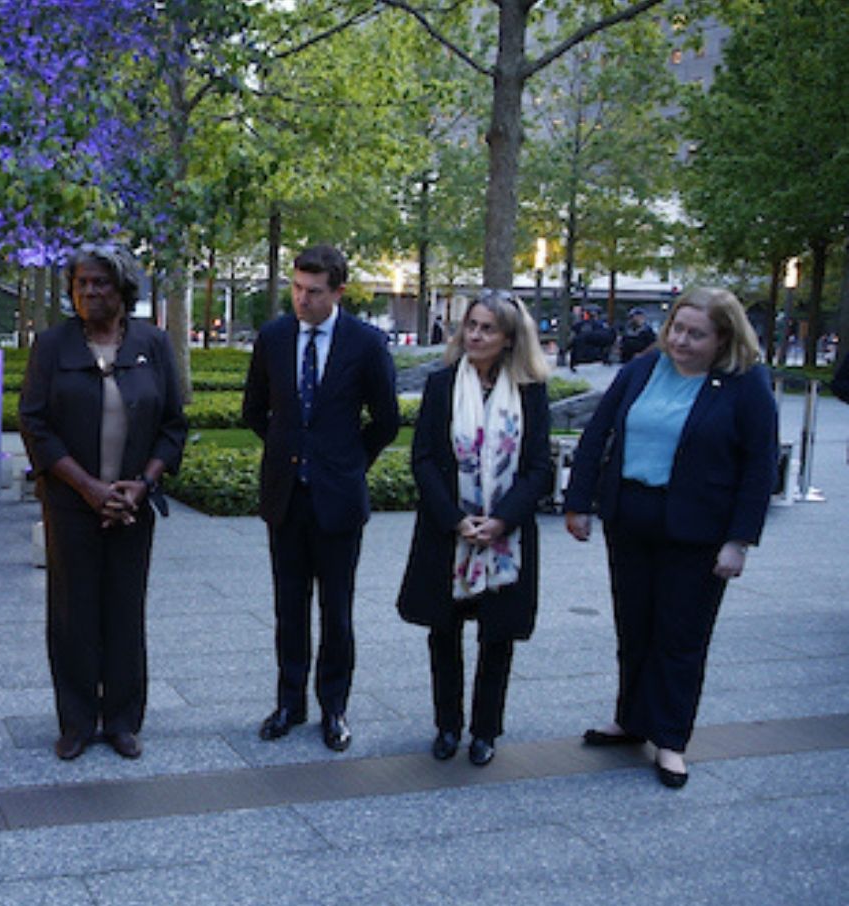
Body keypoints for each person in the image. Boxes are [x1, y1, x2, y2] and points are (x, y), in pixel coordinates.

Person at [564, 288, 778, 788]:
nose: (680, 340)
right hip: (631, 518)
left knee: (681, 638)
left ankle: (671, 740)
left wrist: (739, 540)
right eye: (676, 329)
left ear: (723, 337)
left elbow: (759, 467)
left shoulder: (745, 385)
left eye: (695, 333)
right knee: (634, 627)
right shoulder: (641, 370)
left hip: (698, 531)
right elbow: (597, 436)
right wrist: (579, 502)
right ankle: (631, 719)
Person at [19, 243, 186, 761]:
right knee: (72, 613)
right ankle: (75, 722)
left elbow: (173, 426)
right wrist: (87, 487)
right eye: (81, 283)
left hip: (133, 505)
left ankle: (121, 720)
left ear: (122, 290)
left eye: (101, 284)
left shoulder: (153, 345)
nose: (89, 292)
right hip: (71, 505)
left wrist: (144, 483)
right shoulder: (51, 346)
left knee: (124, 611)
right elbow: (35, 424)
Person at [242, 244, 399, 751]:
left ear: (338, 291)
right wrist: (292, 451)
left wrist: (347, 462)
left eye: (313, 292)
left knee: (337, 609)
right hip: (286, 497)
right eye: (296, 288)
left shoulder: (366, 343)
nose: (302, 300)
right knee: (289, 607)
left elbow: (387, 420)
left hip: (338, 500)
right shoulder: (273, 337)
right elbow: (254, 410)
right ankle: (290, 702)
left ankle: (334, 707)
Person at [398, 291, 552, 767]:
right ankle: (447, 725)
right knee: (443, 632)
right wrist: (455, 519)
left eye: (487, 328)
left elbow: (538, 466)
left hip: (506, 537)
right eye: (471, 326)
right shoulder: (442, 385)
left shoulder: (530, 391)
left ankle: (485, 730)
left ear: (509, 339)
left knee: (497, 636)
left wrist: (502, 519)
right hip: (448, 533)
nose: (475, 335)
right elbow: (422, 457)